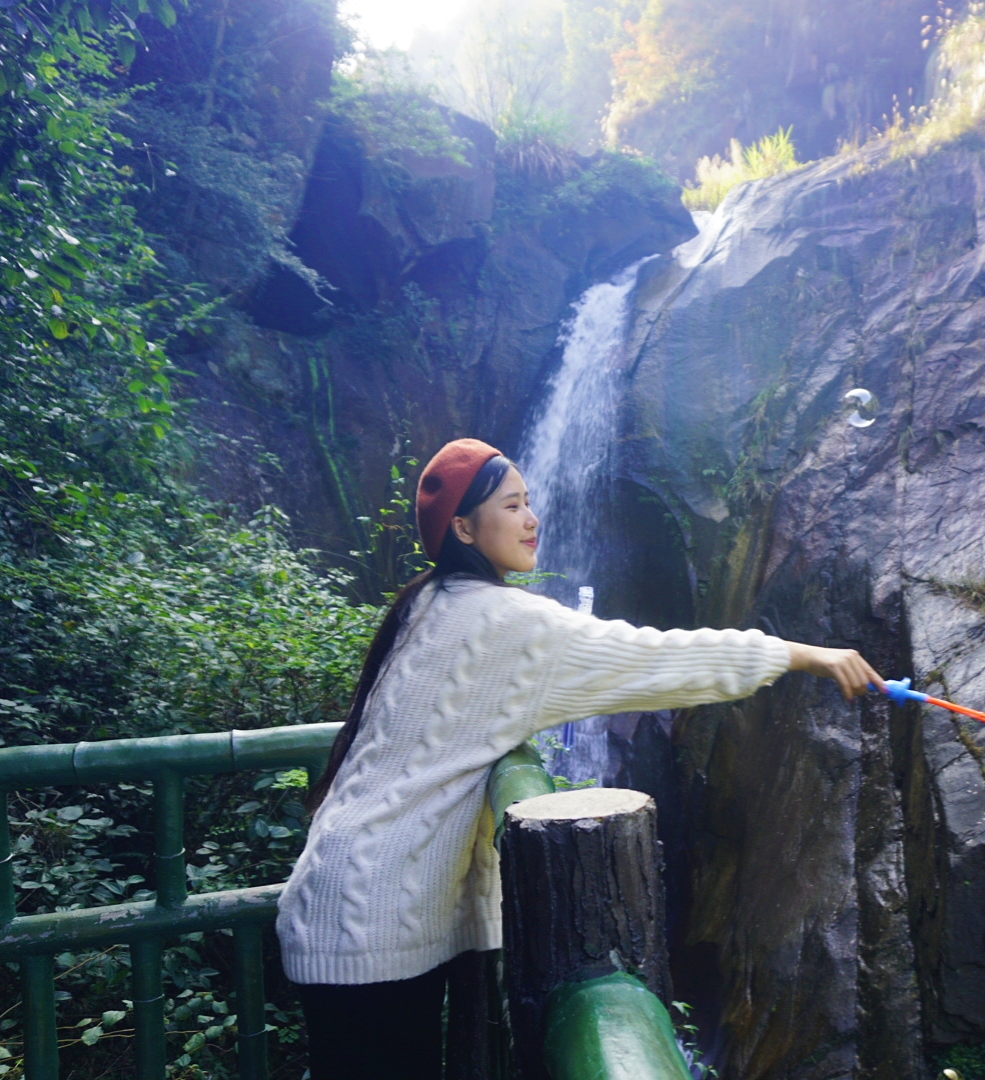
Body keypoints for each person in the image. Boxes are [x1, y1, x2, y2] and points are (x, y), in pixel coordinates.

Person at [276, 438, 882, 1080]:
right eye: (513, 505)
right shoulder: (507, 622)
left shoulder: (429, 602)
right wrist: (796, 654)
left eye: (529, 502)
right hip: (370, 919)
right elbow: (656, 659)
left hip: (343, 895)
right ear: (463, 526)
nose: (532, 519)